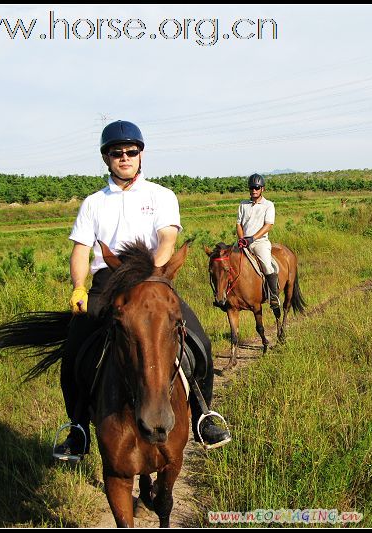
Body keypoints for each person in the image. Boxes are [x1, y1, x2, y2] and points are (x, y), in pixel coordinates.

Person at [54, 120, 231, 460]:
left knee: (199, 341)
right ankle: (77, 428)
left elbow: (167, 238)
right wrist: (78, 287)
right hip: (108, 285)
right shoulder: (93, 203)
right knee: (73, 351)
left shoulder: (160, 195)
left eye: (131, 151)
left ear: (141, 154)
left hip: (153, 280)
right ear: (106, 158)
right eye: (116, 153)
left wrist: (153, 272)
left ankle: (203, 415)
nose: (124, 157)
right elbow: (80, 250)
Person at [236, 173, 280, 309]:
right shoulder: (243, 204)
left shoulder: (268, 205)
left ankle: (274, 296)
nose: (254, 190)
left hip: (259, 242)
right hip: (244, 241)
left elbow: (268, 225)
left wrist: (252, 238)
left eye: (256, 187)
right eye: (251, 188)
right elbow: (238, 224)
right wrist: (242, 239)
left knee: (267, 265)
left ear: (262, 189)